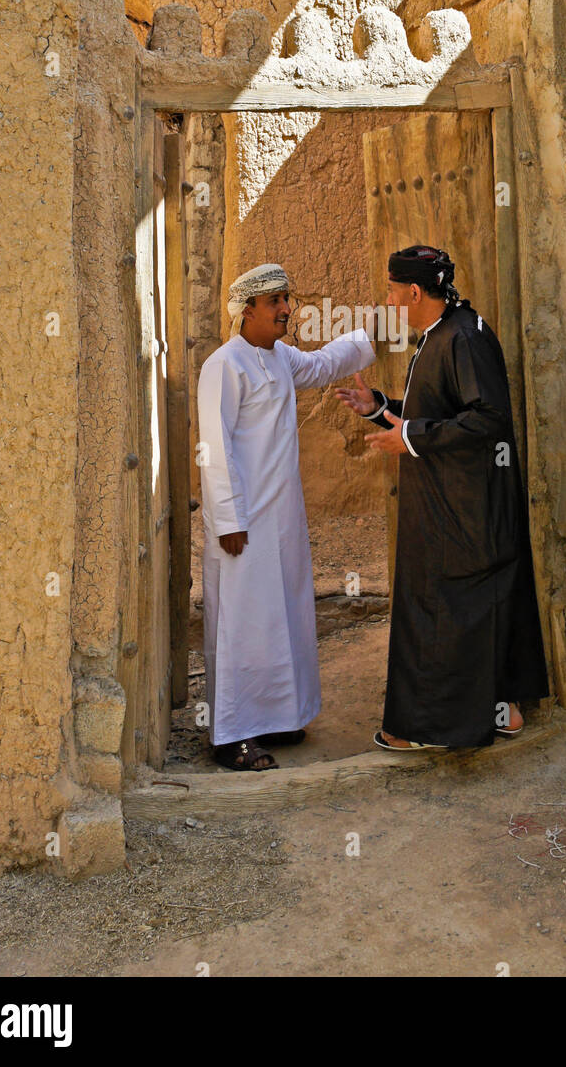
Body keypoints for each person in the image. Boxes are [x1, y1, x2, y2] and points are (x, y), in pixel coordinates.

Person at [336, 244, 548, 750]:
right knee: (472, 606)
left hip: (460, 508)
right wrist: (379, 407)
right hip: (459, 503)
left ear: (413, 291)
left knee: (438, 608)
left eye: (391, 290)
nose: (387, 301)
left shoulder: (462, 337)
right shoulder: (447, 331)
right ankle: (504, 711)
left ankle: (421, 730)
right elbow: (440, 409)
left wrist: (409, 439)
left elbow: (487, 417)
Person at [197, 263, 375, 772]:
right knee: (242, 625)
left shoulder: (277, 359)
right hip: (242, 524)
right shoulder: (224, 365)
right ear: (246, 309)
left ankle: (277, 717)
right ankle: (232, 736)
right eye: (275, 301)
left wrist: (371, 337)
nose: (286, 310)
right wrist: (228, 519)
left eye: (286, 299)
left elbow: (321, 365)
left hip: (281, 520)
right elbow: (213, 446)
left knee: (282, 619)